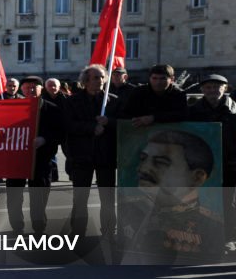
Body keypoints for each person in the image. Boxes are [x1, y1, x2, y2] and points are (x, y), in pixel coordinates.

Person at [121, 130, 224, 263]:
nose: (143, 169)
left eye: (161, 162)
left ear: (197, 177)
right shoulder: (132, 208)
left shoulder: (211, 226)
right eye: (143, 159)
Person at [64, 64, 119, 242]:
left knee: (108, 197)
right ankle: (78, 232)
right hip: (82, 156)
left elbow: (123, 125)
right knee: (80, 197)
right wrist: (90, 128)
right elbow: (67, 126)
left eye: (102, 77)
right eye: (96, 77)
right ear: (85, 81)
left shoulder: (112, 101)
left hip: (106, 156)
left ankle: (109, 230)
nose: (100, 81)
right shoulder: (73, 101)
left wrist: (108, 122)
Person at [6, 76, 62, 235]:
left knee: (39, 196)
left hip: (42, 160)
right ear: (21, 89)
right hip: (16, 160)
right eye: (27, 87)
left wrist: (45, 139)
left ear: (41, 89)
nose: (30, 90)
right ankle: (17, 226)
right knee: (14, 195)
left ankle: (39, 227)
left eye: (34, 87)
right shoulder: (11, 108)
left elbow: (60, 133)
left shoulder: (51, 109)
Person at [187, 74, 236, 252]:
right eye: (208, 87)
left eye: (217, 86)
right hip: (203, 166)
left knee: (228, 203)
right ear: (202, 90)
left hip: (229, 165)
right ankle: (203, 236)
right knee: (201, 203)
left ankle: (229, 238)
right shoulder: (193, 111)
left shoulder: (234, 109)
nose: (212, 90)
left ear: (225, 88)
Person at [121, 63, 187, 127]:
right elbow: (126, 112)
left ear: (172, 79)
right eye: (154, 78)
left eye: (163, 78)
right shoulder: (139, 92)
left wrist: (154, 118)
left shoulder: (178, 94)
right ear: (149, 78)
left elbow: (182, 114)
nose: (158, 82)